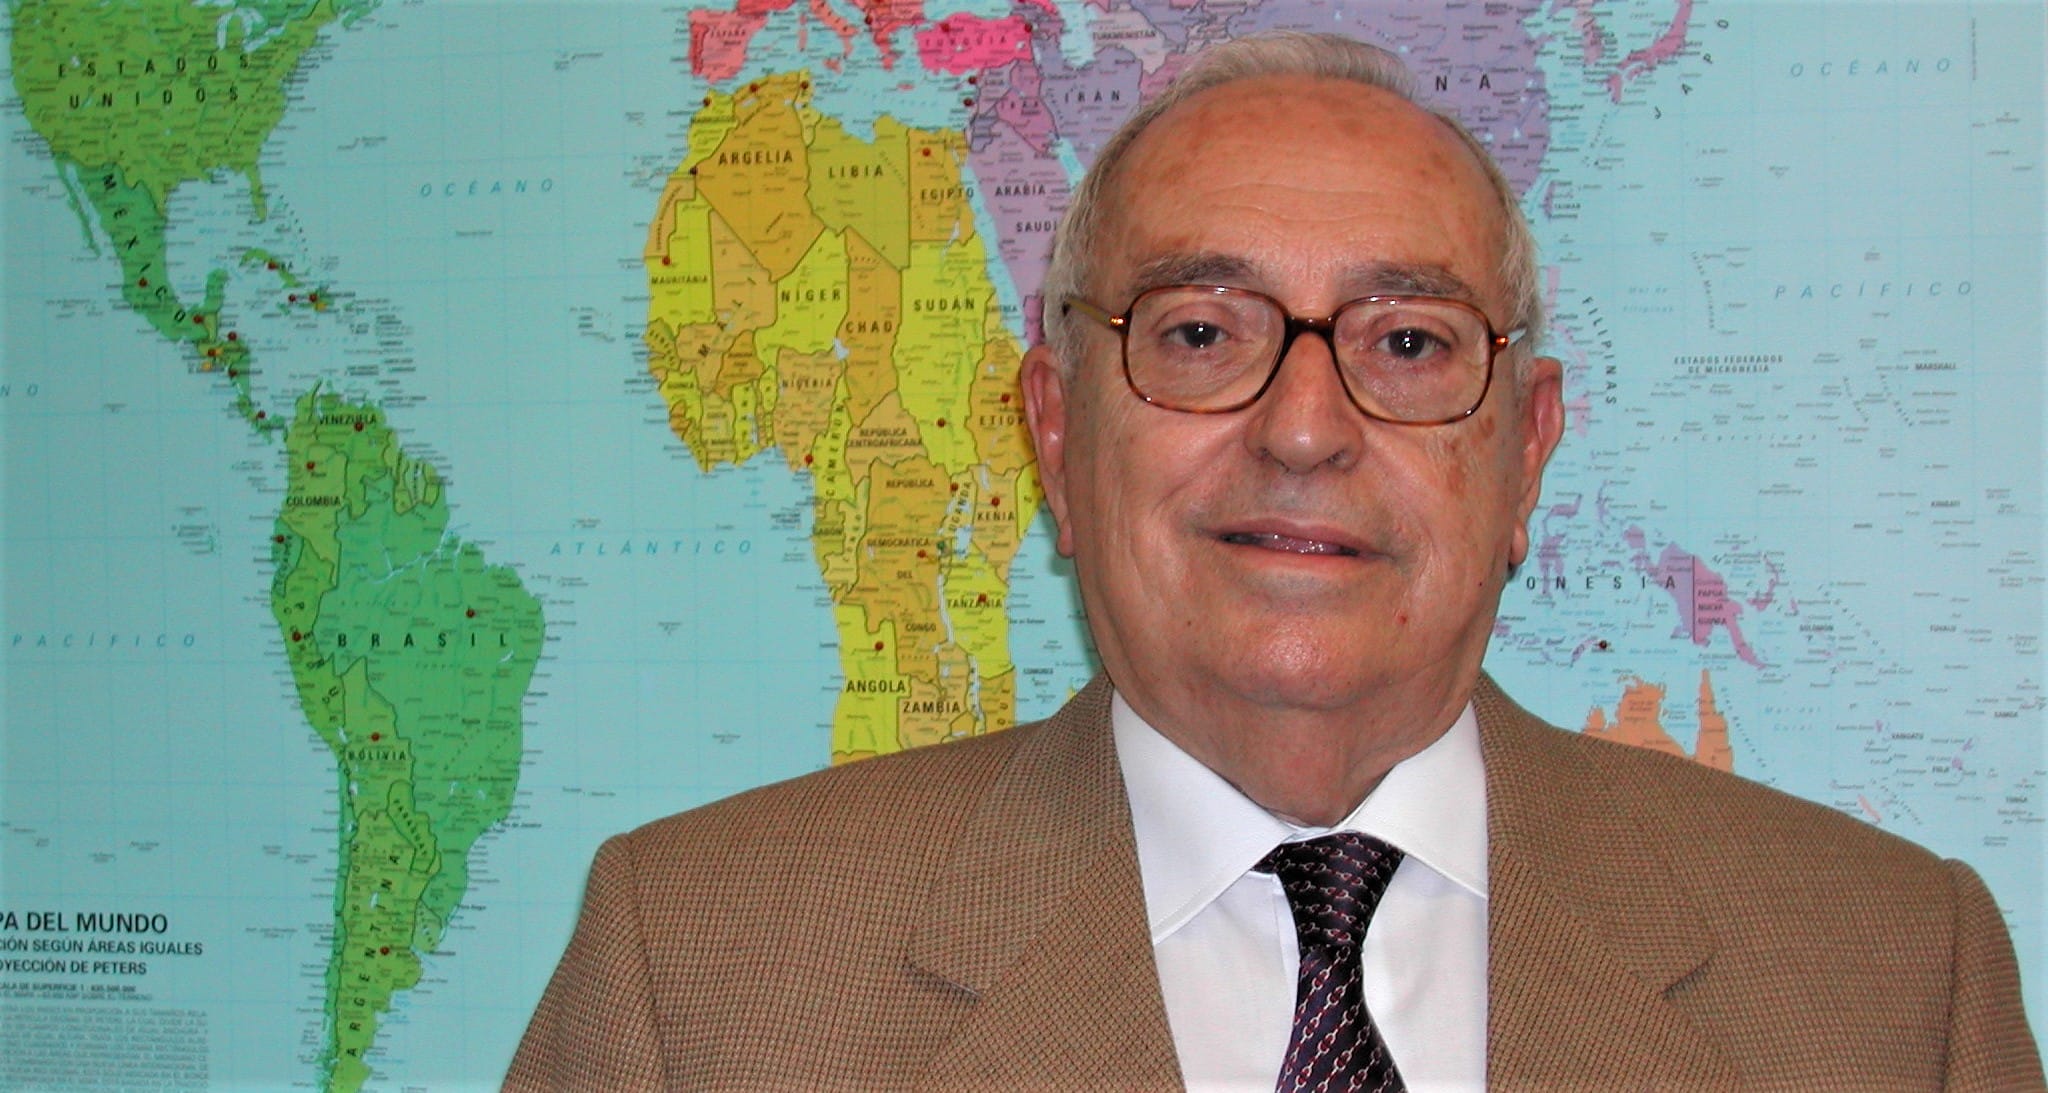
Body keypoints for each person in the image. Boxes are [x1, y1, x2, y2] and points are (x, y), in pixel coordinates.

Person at [507, 32, 2043, 1091]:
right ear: (1056, 429)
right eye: (1199, 332)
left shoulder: (1895, 986)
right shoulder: (699, 981)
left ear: (1527, 451)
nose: (1305, 427)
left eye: (1409, 342)